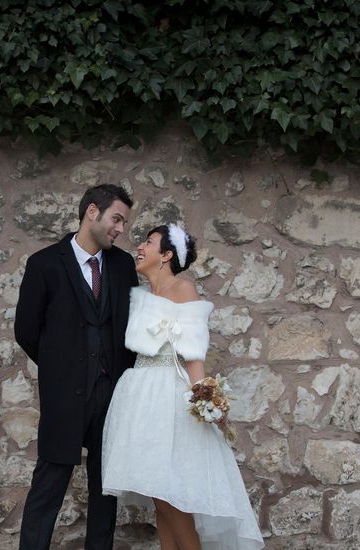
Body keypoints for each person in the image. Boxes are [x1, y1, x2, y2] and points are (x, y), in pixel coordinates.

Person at [102, 223, 264, 550]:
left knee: (171, 496)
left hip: (167, 398)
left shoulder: (184, 290)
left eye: (148, 242)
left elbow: (193, 356)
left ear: (166, 255)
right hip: (138, 397)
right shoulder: (142, 295)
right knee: (158, 495)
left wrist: (206, 401)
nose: (140, 247)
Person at [14, 184, 140, 550]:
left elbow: (128, 327)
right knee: (48, 487)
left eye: (124, 223)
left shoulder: (122, 265)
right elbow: (26, 331)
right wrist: (61, 369)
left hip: (110, 396)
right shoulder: (44, 264)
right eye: (116, 219)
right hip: (64, 397)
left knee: (105, 493)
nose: (120, 229)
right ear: (92, 213)